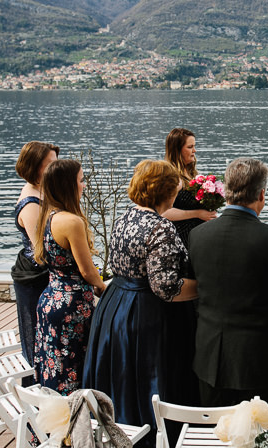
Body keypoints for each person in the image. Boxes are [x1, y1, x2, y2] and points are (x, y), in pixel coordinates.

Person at [188, 158, 268, 438]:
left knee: (217, 436)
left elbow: (196, 289)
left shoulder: (198, 236)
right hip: (264, 358)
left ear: (227, 191)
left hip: (212, 356)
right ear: (261, 195)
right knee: (260, 437)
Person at [83, 160, 198, 448]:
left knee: (120, 373)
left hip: (115, 307)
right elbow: (166, 288)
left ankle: (118, 429)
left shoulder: (124, 218)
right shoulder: (161, 228)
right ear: (166, 193)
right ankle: (153, 436)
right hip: (147, 315)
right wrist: (208, 288)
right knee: (150, 375)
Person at [32, 159, 107, 395]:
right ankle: (75, 426)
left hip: (49, 300)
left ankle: (53, 425)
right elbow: (86, 270)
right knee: (74, 369)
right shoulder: (72, 222)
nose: (84, 185)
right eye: (81, 180)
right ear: (68, 185)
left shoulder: (47, 216)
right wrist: (103, 287)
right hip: (72, 308)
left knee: (53, 368)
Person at [11, 141, 59, 373]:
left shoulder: (44, 190)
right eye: (49, 164)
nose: (54, 169)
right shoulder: (30, 204)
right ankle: (37, 387)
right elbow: (42, 248)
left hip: (47, 272)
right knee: (37, 338)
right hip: (35, 275)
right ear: (34, 167)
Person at [162, 128, 216, 246]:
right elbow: (164, 212)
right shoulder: (172, 177)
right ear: (177, 150)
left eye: (194, 146)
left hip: (197, 236)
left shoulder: (191, 173)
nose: (194, 151)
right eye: (190, 147)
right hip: (182, 238)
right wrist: (197, 213)